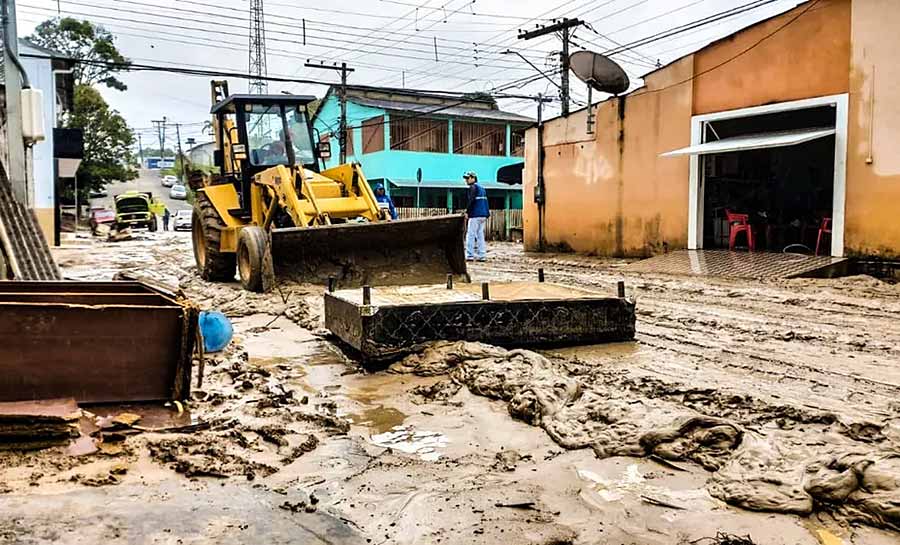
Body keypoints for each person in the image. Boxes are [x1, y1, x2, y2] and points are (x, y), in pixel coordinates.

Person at [463, 171, 489, 261]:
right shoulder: (482, 188)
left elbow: (471, 200)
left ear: (473, 178)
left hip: (475, 215)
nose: (466, 180)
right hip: (483, 214)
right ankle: (482, 255)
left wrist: (467, 212)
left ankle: (469, 255)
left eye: (467, 178)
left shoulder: (473, 187)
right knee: (480, 235)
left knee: (470, 234)